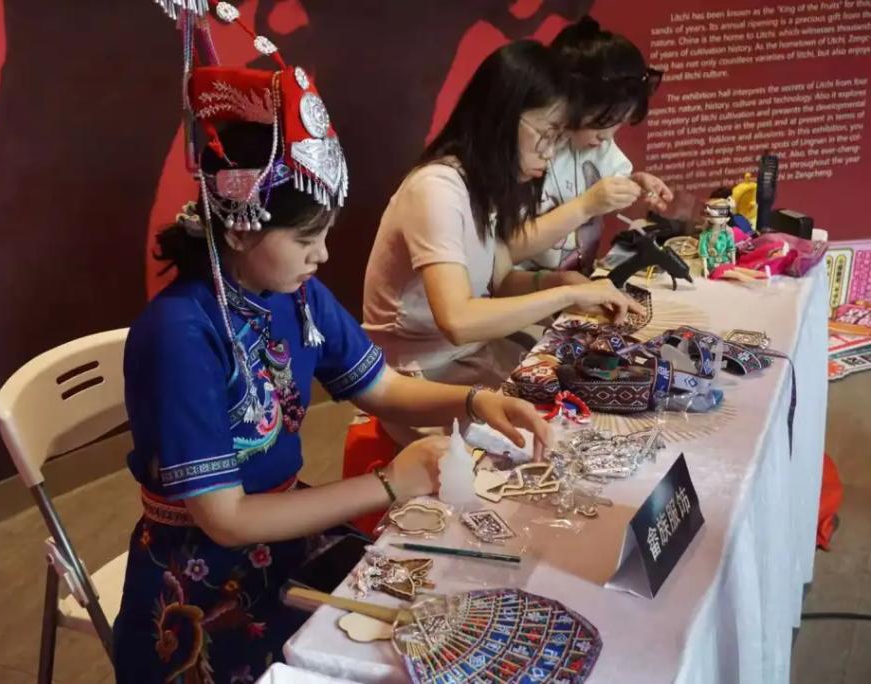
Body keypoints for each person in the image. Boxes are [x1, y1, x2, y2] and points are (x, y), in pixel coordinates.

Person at [112, 10, 552, 682]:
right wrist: (387, 482)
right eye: (305, 238)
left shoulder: (296, 294)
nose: (322, 255)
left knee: (441, 611)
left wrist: (472, 401)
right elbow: (226, 519)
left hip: (284, 534)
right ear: (240, 226)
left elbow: (381, 388)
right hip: (202, 582)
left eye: (325, 234)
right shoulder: (181, 334)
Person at [361, 40, 643, 446]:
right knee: (555, 441)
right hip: (416, 379)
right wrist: (564, 297)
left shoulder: (484, 185)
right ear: (503, 118)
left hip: (468, 358)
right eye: (546, 135)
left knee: (585, 408)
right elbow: (458, 320)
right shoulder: (437, 189)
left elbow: (497, 281)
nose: (550, 153)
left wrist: (560, 283)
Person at [525, 16, 674, 274]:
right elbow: (510, 245)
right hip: (524, 289)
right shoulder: (530, 152)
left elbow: (611, 187)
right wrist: (586, 205)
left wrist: (635, 186)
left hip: (578, 282)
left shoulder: (599, 146)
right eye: (599, 123)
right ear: (568, 103)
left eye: (619, 123)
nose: (606, 136)